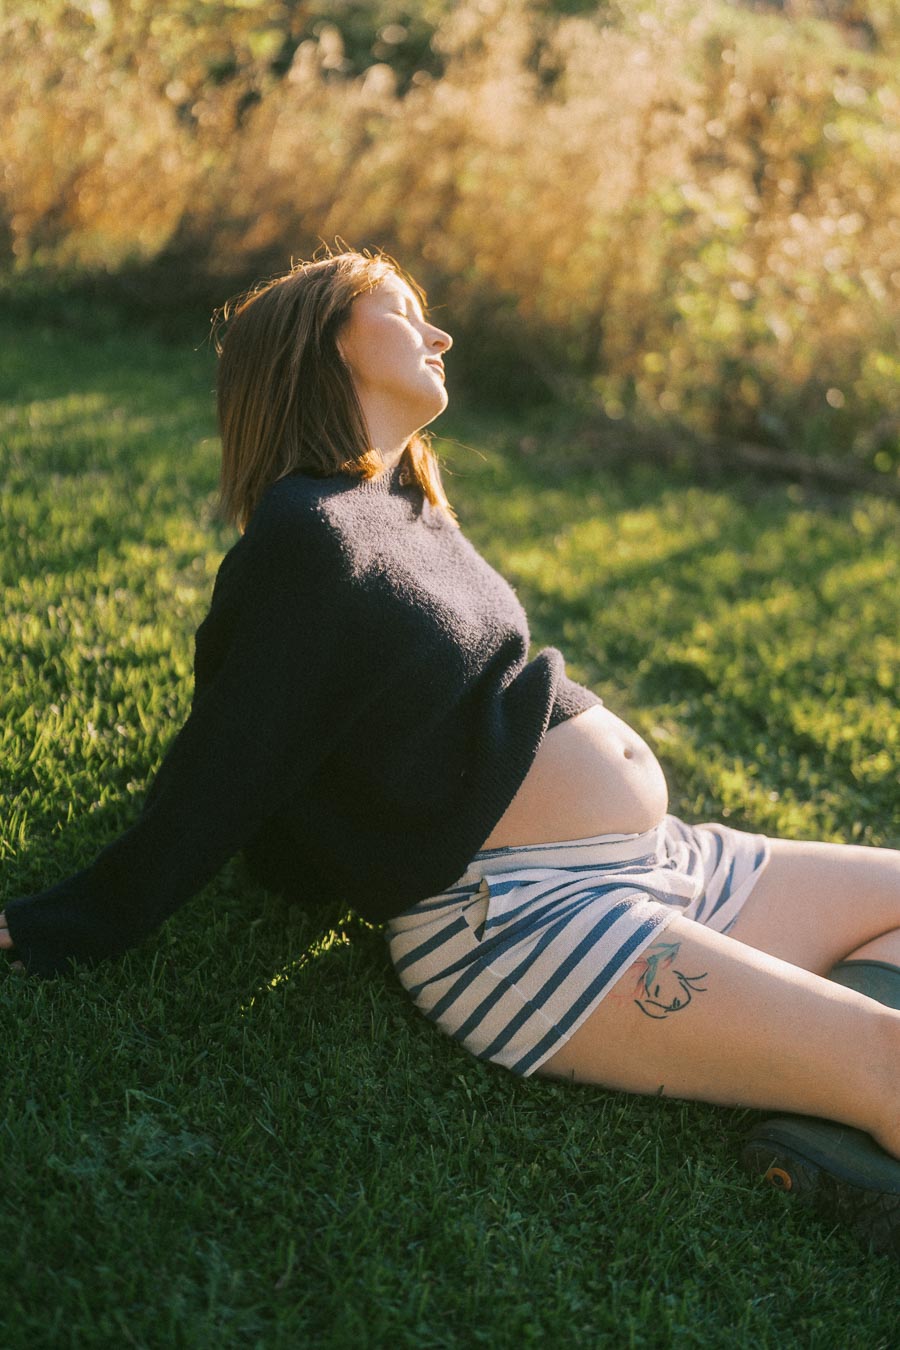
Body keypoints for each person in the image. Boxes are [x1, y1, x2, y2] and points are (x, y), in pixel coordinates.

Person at [2, 247, 898, 1258]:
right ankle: (846, 1080)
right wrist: (57, 925)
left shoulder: (408, 502)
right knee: (889, 1058)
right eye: (404, 311)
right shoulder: (306, 536)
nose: (441, 335)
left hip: (658, 864)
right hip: (523, 922)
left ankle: (832, 1132)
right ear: (321, 340)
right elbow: (225, 771)